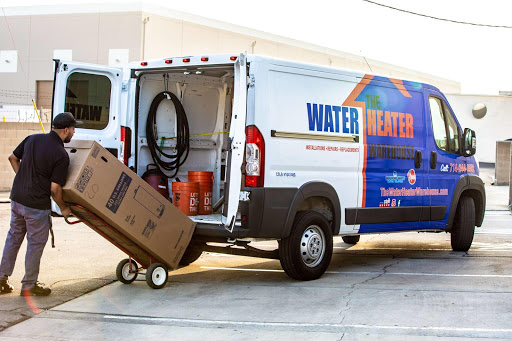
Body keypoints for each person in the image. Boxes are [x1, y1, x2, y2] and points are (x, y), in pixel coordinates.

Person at [0, 112, 82, 296]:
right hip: (36, 205)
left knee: (13, 239)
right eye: (73, 129)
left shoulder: (32, 139)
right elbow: (55, 189)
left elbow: (12, 158)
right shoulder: (61, 155)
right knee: (35, 245)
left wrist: (23, 178)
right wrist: (64, 209)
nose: (74, 133)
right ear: (65, 130)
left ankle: (1, 280)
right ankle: (29, 285)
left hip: (17, 199)